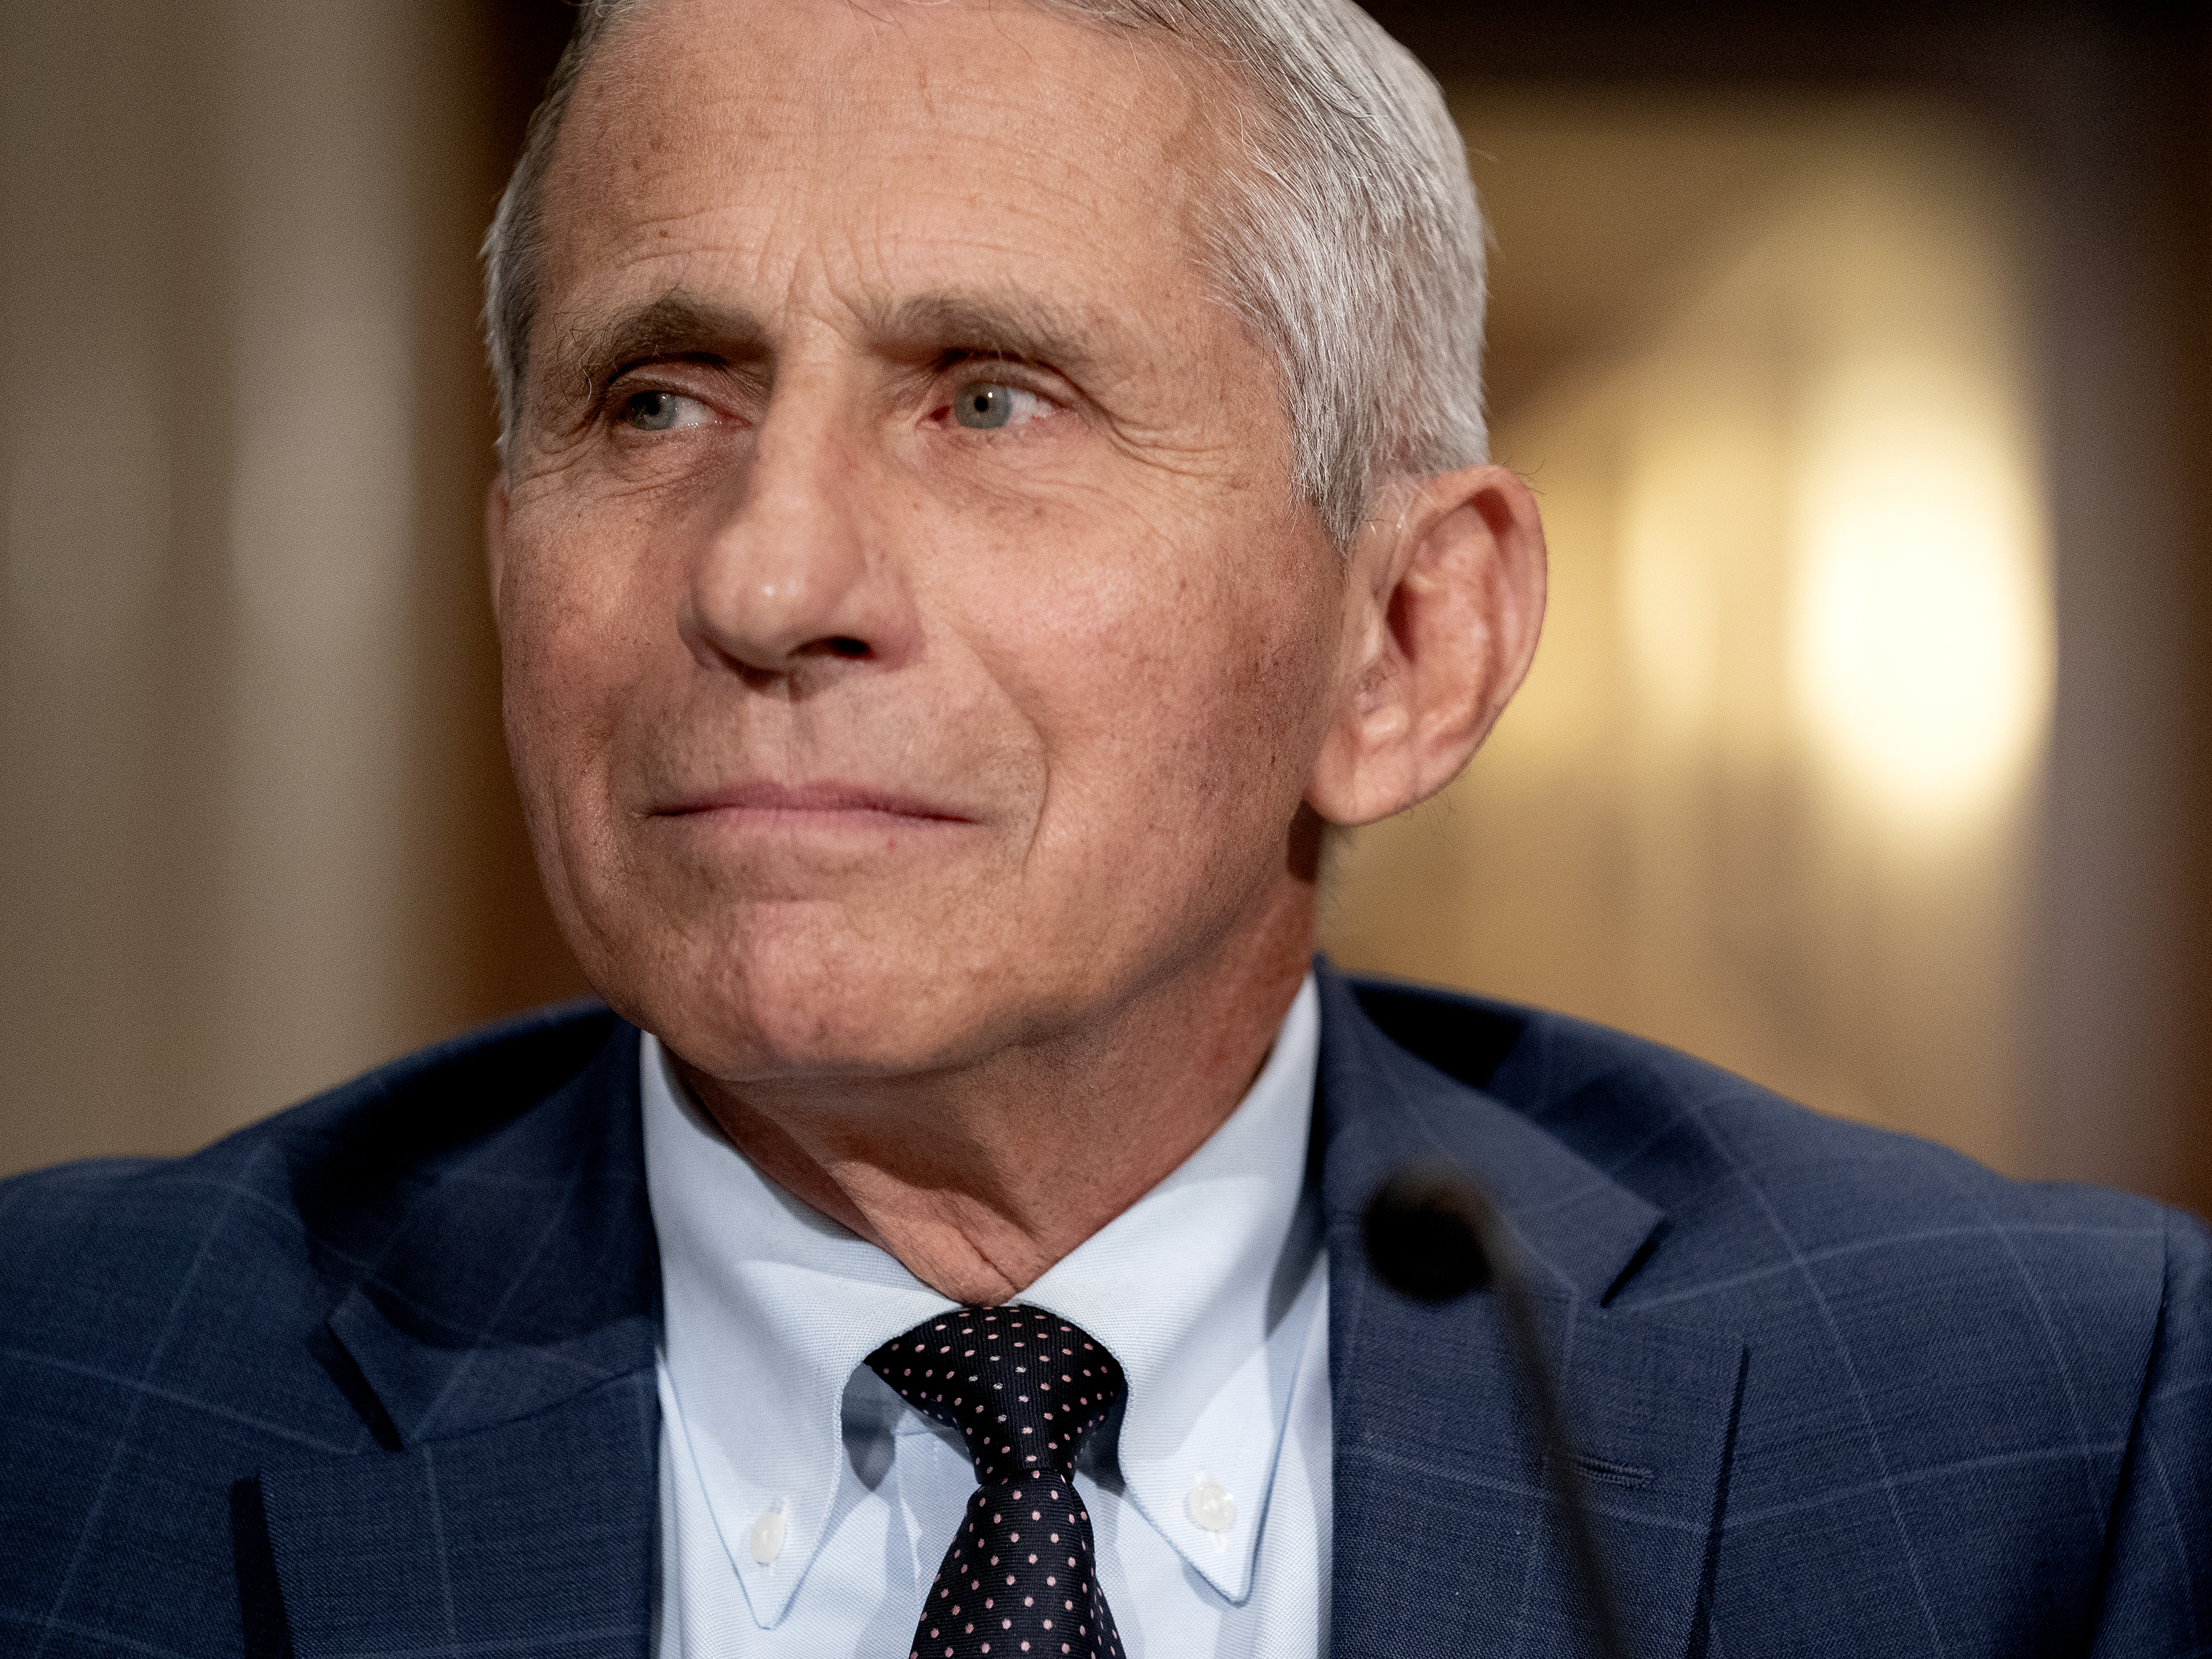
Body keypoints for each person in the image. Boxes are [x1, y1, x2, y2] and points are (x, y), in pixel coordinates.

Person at [3, 0, 2205, 1653]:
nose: (766, 580)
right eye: (656, 400)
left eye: (989, 400)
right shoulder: (60, 1400)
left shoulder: (2048, 1431)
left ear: (1407, 643)